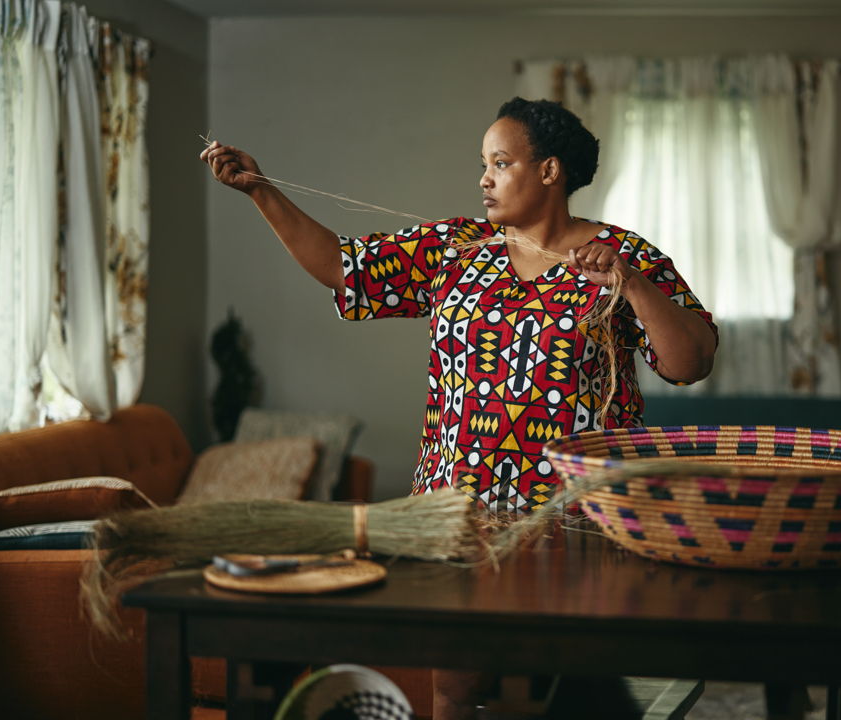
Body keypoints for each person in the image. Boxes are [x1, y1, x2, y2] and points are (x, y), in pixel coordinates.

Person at [202, 96, 719, 719]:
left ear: (549, 170)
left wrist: (630, 284)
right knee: (455, 682)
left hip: (573, 520)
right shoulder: (457, 247)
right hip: (459, 515)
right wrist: (261, 192)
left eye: (500, 163)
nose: (484, 179)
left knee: (566, 692)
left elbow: (690, 361)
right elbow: (345, 269)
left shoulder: (622, 254)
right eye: (483, 164)